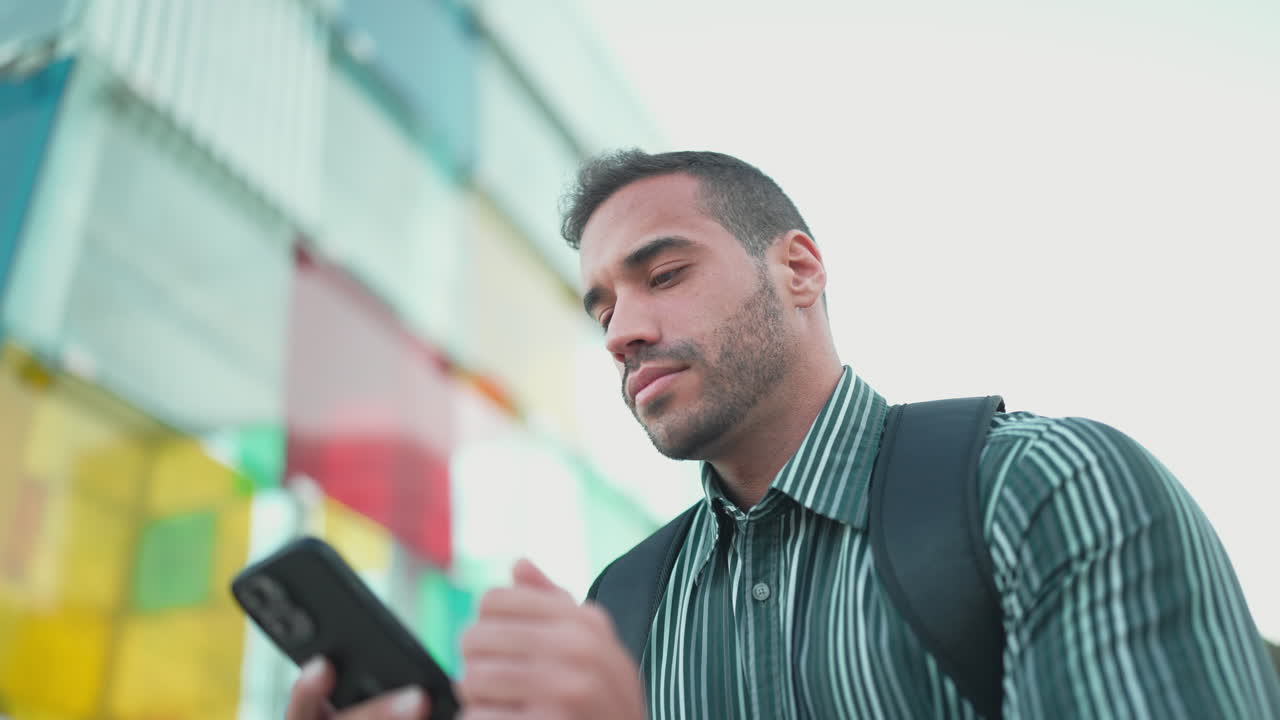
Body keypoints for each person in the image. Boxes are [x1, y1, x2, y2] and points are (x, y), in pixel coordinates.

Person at [286, 150, 1280, 719]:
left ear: (798, 270)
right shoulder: (621, 608)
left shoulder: (1046, 489)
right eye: (599, 309)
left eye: (663, 274)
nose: (623, 331)